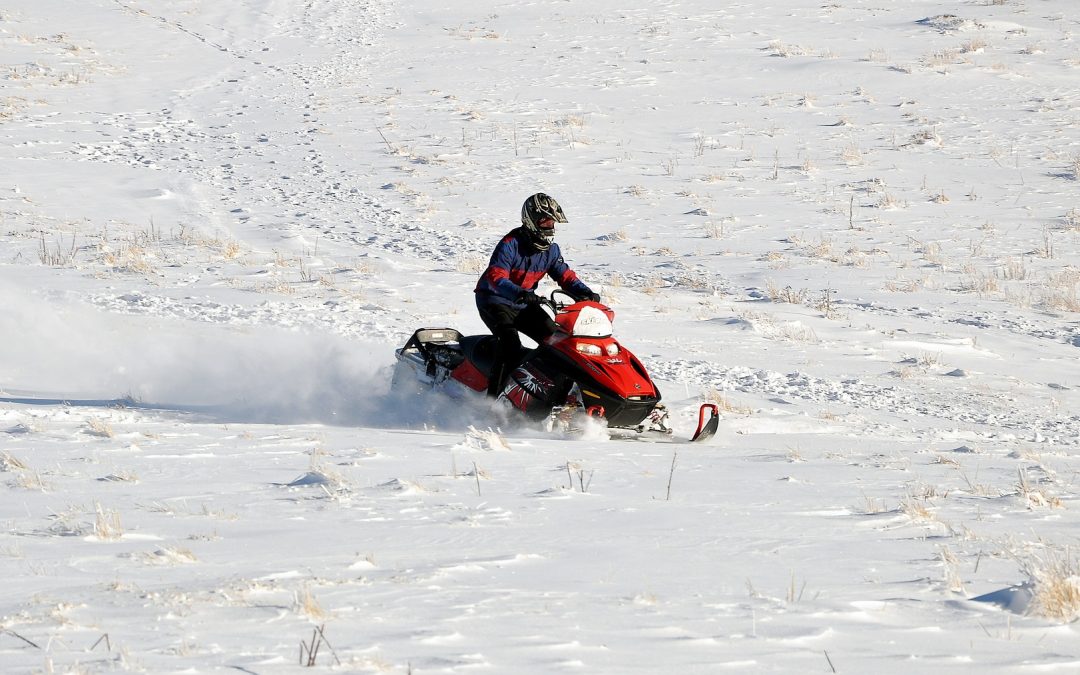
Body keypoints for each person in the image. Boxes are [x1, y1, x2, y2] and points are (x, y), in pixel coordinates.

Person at [474, 193, 600, 398]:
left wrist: (584, 292)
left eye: (552, 223)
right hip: (494, 300)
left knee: (558, 342)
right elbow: (496, 276)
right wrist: (519, 293)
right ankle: (493, 401)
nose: (550, 227)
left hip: (524, 304)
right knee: (510, 345)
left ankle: (560, 393)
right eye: (545, 222)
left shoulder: (551, 250)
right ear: (530, 221)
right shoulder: (510, 244)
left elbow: (565, 275)